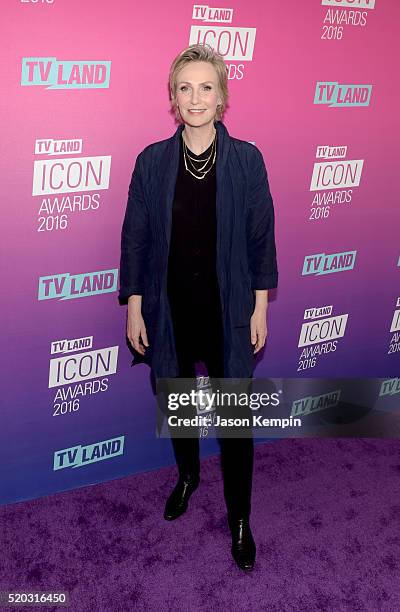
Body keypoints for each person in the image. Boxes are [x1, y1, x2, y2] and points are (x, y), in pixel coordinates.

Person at [118, 43, 278, 571]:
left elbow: (261, 240)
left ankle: (239, 519)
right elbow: (136, 239)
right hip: (170, 312)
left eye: (205, 87)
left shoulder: (247, 160)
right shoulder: (152, 162)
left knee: (235, 422)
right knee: (178, 400)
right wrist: (134, 306)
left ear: (222, 96)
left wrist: (259, 308)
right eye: (184, 87)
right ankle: (188, 476)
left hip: (228, 312)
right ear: (173, 96)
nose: (195, 97)